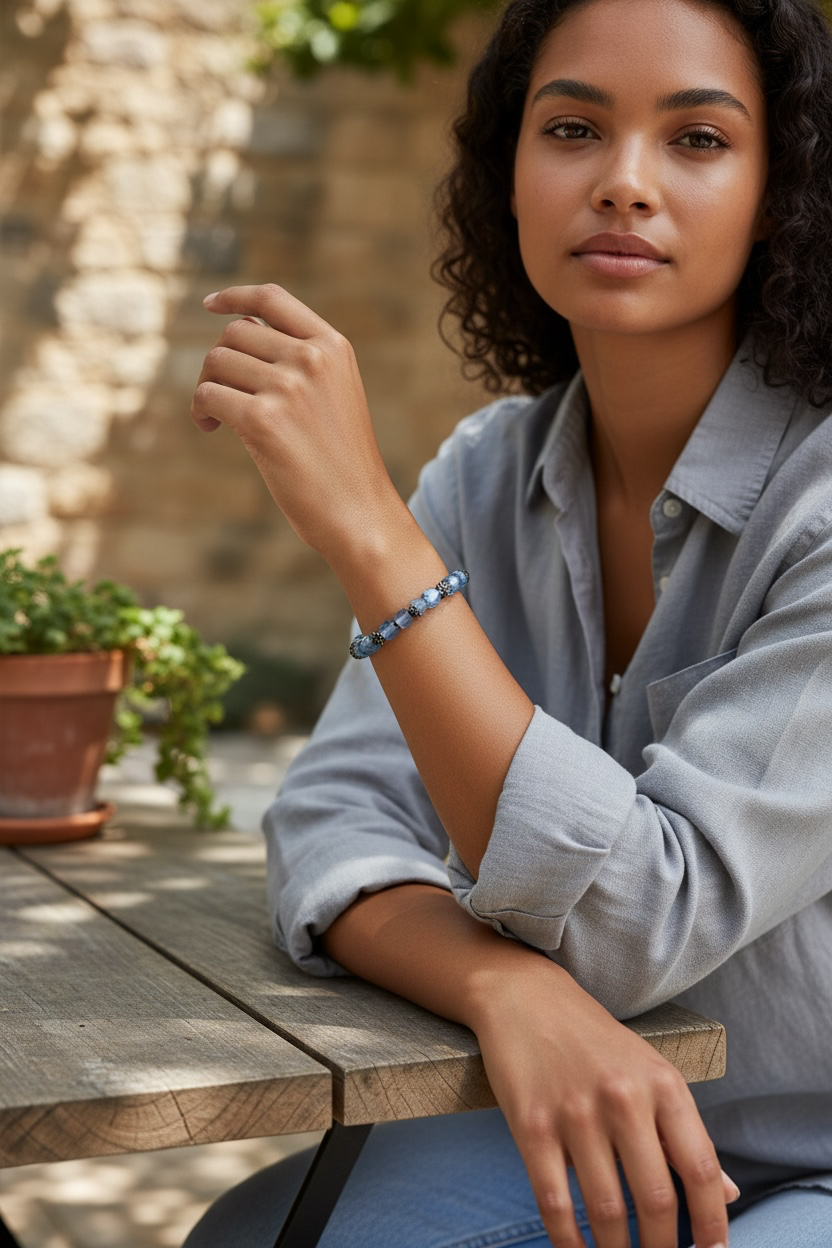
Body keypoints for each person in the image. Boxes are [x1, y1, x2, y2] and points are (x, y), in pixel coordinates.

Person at [184, 0, 832, 1243]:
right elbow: (332, 817)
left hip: (808, 1155)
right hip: (577, 1113)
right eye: (573, 127)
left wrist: (372, 538)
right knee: (254, 1236)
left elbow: (644, 916)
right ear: (511, 174)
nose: (624, 184)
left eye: (697, 140)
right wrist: (506, 991)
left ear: (783, 191)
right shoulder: (489, 470)